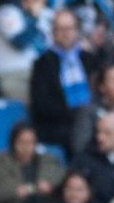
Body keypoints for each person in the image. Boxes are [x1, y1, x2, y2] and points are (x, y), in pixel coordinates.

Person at [30, 9, 102, 151]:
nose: (66, 33)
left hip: (94, 119)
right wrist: (76, 113)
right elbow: (41, 104)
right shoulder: (42, 64)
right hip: (60, 125)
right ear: (53, 32)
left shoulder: (90, 59)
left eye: (69, 28)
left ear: (76, 30)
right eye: (60, 29)